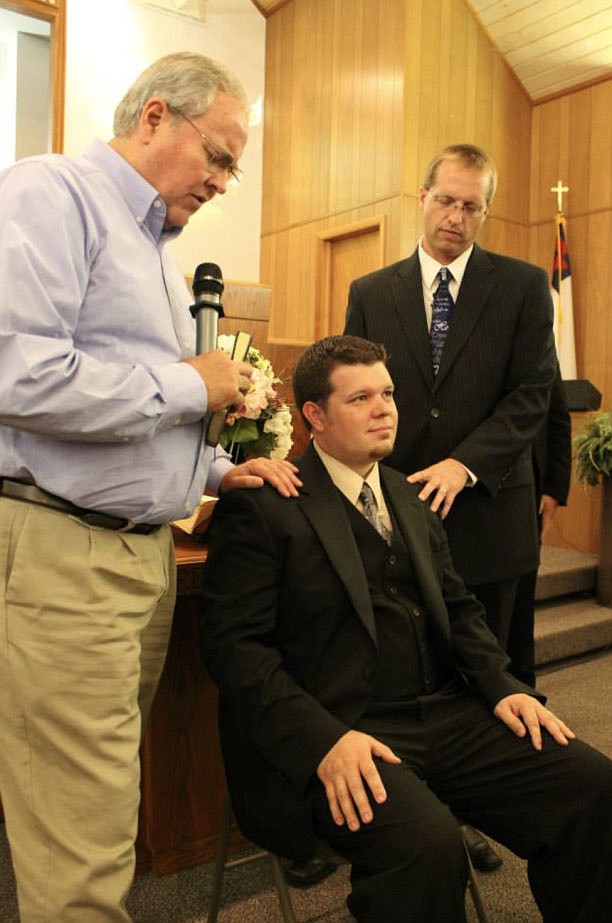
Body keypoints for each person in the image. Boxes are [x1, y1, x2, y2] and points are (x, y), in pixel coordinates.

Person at [0, 52, 300, 923]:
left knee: (94, 816)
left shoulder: (160, 257)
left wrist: (213, 467)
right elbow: (20, 375)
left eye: (234, 167)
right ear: (157, 115)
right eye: (220, 155)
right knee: (82, 848)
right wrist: (194, 386)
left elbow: (134, 419)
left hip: (138, 557)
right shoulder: (50, 195)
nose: (224, 181)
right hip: (66, 551)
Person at [200, 335, 612, 923]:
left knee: (594, 789)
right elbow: (234, 650)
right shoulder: (264, 505)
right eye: (360, 397)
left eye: (388, 393)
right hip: (342, 727)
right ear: (314, 416)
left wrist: (506, 687)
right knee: (427, 848)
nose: (384, 408)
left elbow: (459, 608)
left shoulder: (407, 493)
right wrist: (324, 740)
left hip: (445, 712)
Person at [344, 143, 558, 868]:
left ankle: (480, 809)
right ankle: (426, 822)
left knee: (487, 671)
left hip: (490, 514)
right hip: (397, 520)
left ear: (486, 211)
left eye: (472, 206)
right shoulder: (372, 290)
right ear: (423, 196)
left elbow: (534, 395)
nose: (456, 218)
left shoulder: (526, 287)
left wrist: (465, 464)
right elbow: (355, 390)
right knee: (411, 675)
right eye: (447, 200)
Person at [508, 368, 572, 687]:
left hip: (529, 491)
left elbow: (558, 416)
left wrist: (554, 489)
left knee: (520, 605)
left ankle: (523, 687)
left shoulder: (533, 338)